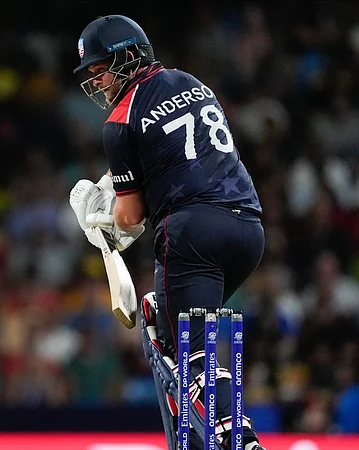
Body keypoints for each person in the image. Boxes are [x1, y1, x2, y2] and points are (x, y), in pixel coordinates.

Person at [68, 15, 265, 450]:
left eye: (101, 69)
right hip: (248, 229)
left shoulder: (119, 122)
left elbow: (131, 217)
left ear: (128, 55)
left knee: (188, 356)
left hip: (192, 233)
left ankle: (240, 440)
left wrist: (100, 222)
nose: (97, 82)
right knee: (174, 332)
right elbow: (175, 150)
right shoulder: (191, 83)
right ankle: (211, 436)